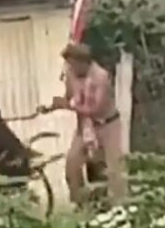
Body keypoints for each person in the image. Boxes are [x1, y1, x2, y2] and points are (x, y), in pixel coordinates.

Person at [39, 43, 126, 207]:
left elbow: (96, 107)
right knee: (72, 164)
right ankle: (82, 205)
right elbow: (69, 98)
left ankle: (119, 208)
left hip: (107, 125)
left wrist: (65, 105)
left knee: (114, 168)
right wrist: (50, 107)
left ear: (84, 62)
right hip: (84, 125)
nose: (71, 67)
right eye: (69, 64)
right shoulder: (71, 74)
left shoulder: (100, 76)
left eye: (73, 64)